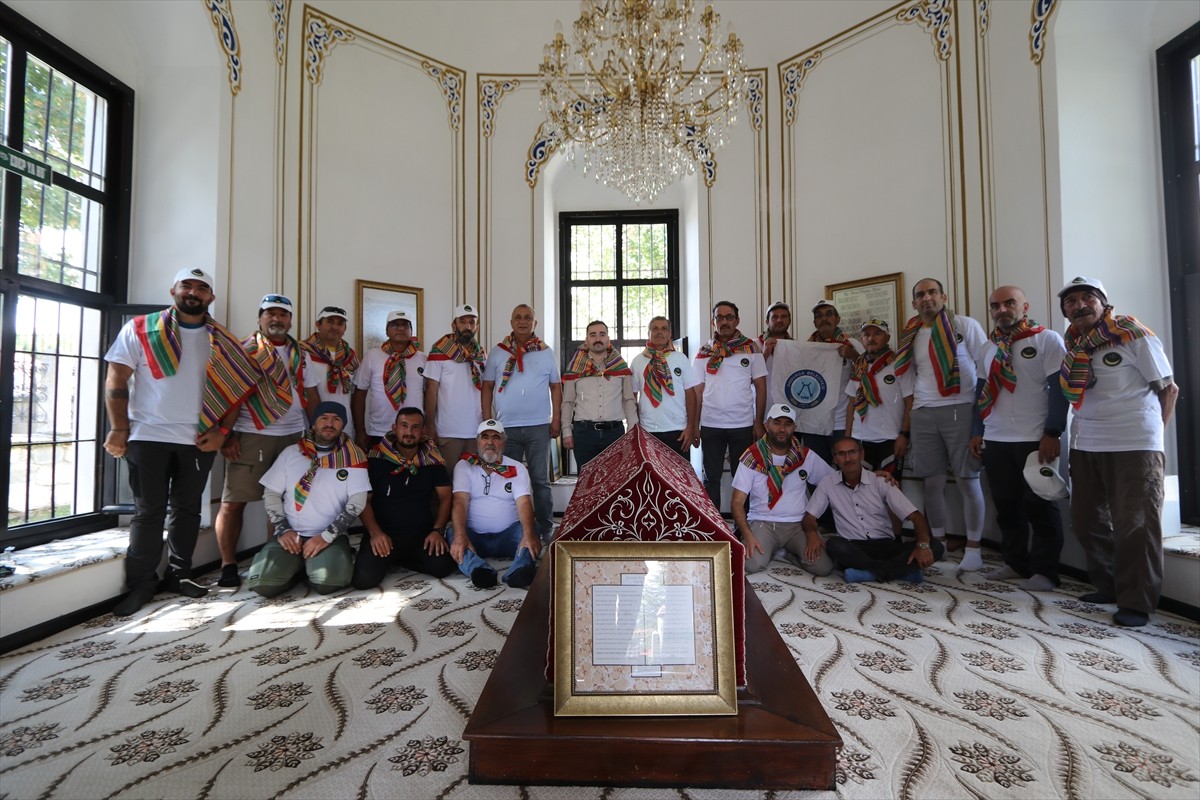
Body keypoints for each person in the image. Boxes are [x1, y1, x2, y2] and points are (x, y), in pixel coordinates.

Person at [102, 267, 259, 615]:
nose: (194, 292)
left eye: (202, 288)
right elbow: (117, 376)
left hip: (199, 439)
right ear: (173, 289)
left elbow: (236, 392)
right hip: (147, 436)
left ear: (211, 297)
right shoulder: (141, 328)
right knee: (148, 513)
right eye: (187, 285)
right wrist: (118, 428)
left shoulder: (223, 340)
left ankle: (179, 575)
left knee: (188, 510)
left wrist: (222, 432)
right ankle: (141, 584)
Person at [1058, 276, 1177, 627]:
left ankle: (1137, 602)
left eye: (1087, 298)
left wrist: (1155, 436)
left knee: (1136, 525)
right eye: (1071, 301)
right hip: (1087, 441)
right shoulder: (1074, 343)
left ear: (1104, 303)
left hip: (1134, 443)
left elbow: (1169, 389)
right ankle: (1108, 584)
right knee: (1084, 518)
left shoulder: (1132, 333)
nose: (1079, 305)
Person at [968, 285, 1068, 591]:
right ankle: (1015, 562)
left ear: (1024, 307)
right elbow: (981, 393)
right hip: (997, 439)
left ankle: (1046, 571)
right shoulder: (988, 347)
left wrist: (1052, 432)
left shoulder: (1046, 339)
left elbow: (1060, 390)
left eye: (1009, 303)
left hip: (1034, 439)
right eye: (995, 306)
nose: (1002, 310)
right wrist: (977, 431)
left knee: (1039, 505)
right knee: (1007, 506)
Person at [214, 293, 310, 588]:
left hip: (293, 435)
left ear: (290, 320)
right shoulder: (244, 349)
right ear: (260, 317)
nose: (276, 319)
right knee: (234, 502)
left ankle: (276, 559)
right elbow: (227, 393)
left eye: (282, 314)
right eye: (270, 313)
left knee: (286, 502)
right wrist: (227, 435)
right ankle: (228, 563)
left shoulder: (300, 352)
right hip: (253, 433)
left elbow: (311, 392)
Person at [894, 277, 988, 570]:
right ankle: (939, 543)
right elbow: (907, 377)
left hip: (960, 408)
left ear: (943, 297)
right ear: (914, 303)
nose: (927, 298)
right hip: (924, 411)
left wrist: (979, 419)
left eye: (932, 292)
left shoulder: (964, 326)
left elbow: (985, 366)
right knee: (931, 483)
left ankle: (974, 548)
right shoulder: (911, 335)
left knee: (967, 480)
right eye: (920, 295)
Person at [247, 402, 369, 596]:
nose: (330, 423)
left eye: (336, 419)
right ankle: (297, 566)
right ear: (313, 424)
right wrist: (283, 530)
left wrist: (326, 536)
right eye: (324, 418)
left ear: (343, 426)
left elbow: (357, 502)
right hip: (291, 534)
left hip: (330, 536)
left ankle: (309, 564)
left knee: (328, 583)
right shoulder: (290, 454)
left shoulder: (353, 457)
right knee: (264, 584)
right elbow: (271, 494)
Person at [803, 437, 944, 583]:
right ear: (835, 458)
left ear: (862, 454)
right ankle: (901, 572)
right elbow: (809, 517)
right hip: (854, 547)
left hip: (886, 546)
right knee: (834, 544)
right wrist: (812, 533)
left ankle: (871, 573)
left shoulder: (881, 481)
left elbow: (917, 517)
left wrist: (923, 545)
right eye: (841, 454)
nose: (848, 458)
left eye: (852, 452)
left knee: (936, 546)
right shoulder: (828, 483)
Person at [481, 304, 561, 543]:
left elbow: (555, 387)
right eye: (518, 317)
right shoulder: (498, 352)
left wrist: (555, 418)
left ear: (535, 323)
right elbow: (487, 387)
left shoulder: (546, 352)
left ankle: (546, 528)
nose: (523, 321)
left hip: (538, 426)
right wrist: (488, 422)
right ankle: (511, 526)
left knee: (540, 481)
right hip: (506, 428)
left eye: (528, 318)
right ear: (511, 322)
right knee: (507, 478)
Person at [352, 406, 456, 588]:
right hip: (385, 534)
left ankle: (399, 558)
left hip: (420, 534)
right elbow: (364, 501)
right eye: (404, 426)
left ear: (423, 431)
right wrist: (375, 533)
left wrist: (437, 531)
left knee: (444, 567)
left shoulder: (432, 461)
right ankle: (391, 556)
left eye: (415, 427)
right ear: (394, 428)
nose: (409, 432)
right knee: (364, 580)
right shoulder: (376, 459)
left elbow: (446, 497)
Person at [730, 404, 836, 575]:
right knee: (752, 565)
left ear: (794, 427)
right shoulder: (752, 456)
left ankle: (788, 553)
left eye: (787, 424)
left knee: (823, 567)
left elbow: (833, 482)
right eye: (777, 423)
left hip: (798, 524)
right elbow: (736, 502)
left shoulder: (806, 456)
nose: (782, 429)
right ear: (767, 425)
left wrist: (813, 526)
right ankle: (773, 549)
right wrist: (748, 536)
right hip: (763, 522)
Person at [449, 419, 542, 589]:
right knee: (453, 533)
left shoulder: (516, 468)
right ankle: (479, 570)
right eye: (485, 437)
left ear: (503, 442)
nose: (490, 442)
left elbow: (524, 503)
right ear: (477, 441)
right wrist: (460, 535)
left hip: (508, 535)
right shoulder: (464, 466)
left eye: (496, 437)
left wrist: (528, 535)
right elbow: (460, 502)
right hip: (475, 536)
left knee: (532, 529)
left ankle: (519, 571)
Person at [694, 301, 767, 511]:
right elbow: (697, 391)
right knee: (711, 478)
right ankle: (714, 528)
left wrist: (758, 423)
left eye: (729, 317)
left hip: (742, 425)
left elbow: (761, 387)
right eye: (720, 318)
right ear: (713, 322)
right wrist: (695, 425)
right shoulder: (704, 352)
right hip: (711, 425)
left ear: (737, 320)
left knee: (743, 478)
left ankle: (743, 527)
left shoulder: (752, 349)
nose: (724, 322)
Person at [561, 320, 638, 470]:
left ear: (608, 339)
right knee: (585, 483)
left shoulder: (620, 367)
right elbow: (568, 402)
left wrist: (632, 430)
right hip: (583, 434)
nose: (597, 339)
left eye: (602, 335)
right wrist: (566, 431)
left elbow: (628, 399)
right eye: (593, 335)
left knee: (614, 483)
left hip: (614, 434)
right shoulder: (576, 367)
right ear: (586, 340)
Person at [844, 319, 912, 474]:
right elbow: (851, 404)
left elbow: (910, 402)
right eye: (866, 334)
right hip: (860, 439)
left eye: (877, 333)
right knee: (859, 491)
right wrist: (848, 437)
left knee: (890, 490)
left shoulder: (899, 364)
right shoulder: (859, 367)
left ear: (887, 338)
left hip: (890, 439)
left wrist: (904, 435)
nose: (871, 338)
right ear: (862, 340)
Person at [423, 303, 487, 466]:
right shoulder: (439, 352)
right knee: (447, 482)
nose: (467, 326)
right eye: (462, 321)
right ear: (454, 325)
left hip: (476, 431)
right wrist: (430, 426)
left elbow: (487, 391)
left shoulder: (481, 355)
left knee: (473, 485)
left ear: (477, 327)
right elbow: (431, 391)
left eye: (472, 322)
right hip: (448, 432)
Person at [353, 310, 426, 450]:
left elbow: (429, 395)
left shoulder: (422, 359)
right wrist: (360, 430)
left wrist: (428, 426)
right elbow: (359, 395)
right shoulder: (372, 356)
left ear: (411, 331)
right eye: (394, 325)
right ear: (386, 331)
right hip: (379, 430)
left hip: (413, 432)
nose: (400, 328)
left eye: (405, 325)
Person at [799, 300, 861, 465]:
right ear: (814, 322)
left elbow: (868, 373)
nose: (824, 319)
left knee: (846, 472)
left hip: (840, 422)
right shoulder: (806, 348)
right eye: (819, 316)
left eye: (828, 314)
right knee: (816, 475)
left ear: (837, 319)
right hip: (814, 423)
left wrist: (853, 355)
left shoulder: (852, 344)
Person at [630, 316, 700, 456]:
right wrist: (635, 428)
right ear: (648, 333)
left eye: (664, 329)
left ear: (669, 334)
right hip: (648, 430)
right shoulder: (637, 361)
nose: (659, 332)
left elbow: (691, 394)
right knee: (652, 477)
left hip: (679, 431)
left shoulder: (680, 359)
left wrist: (691, 427)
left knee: (679, 477)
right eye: (655, 328)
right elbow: (632, 397)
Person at [301, 305, 359, 437]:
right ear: (318, 324)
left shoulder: (351, 356)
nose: (335, 327)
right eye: (330, 322)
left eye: (340, 323)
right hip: (311, 426)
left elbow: (355, 394)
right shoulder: (302, 352)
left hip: (344, 427)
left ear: (345, 328)